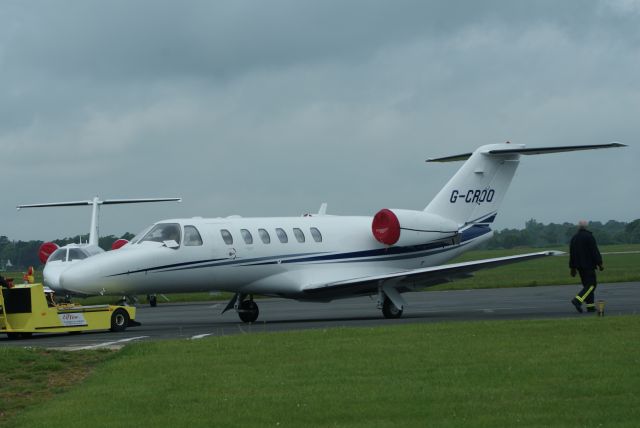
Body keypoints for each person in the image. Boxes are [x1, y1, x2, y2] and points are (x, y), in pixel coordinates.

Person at [569, 220, 603, 313]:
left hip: (579, 267)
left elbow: (572, 254)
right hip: (588, 265)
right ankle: (578, 300)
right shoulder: (589, 236)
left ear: (578, 227)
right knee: (592, 285)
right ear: (586, 226)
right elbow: (594, 251)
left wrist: (572, 268)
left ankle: (590, 306)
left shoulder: (574, 238)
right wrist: (600, 263)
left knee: (587, 286)